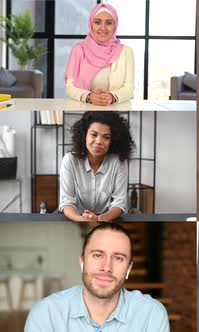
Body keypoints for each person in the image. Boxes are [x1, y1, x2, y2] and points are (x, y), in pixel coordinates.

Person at [24, 223, 170, 331]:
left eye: (118, 258)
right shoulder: (46, 313)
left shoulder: (151, 314)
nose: (106, 267)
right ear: (82, 261)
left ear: (129, 268)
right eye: (98, 255)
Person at [59, 112, 134, 221]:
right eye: (94, 135)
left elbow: (120, 203)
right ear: (84, 135)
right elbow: (66, 202)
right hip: (77, 221)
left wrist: (99, 219)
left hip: (108, 222)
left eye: (106, 137)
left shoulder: (118, 162)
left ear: (113, 140)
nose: (99, 141)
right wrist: (81, 220)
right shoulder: (69, 161)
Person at [65, 3, 135, 105]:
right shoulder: (78, 50)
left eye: (109, 23)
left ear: (115, 25)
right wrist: (89, 97)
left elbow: (129, 88)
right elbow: (69, 87)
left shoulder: (126, 52)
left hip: (115, 110)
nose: (103, 28)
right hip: (85, 109)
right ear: (91, 24)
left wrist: (111, 97)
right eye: (97, 22)